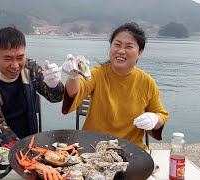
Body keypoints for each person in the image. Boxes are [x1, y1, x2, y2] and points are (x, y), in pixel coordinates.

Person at [61, 22, 169, 150]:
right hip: (93, 146)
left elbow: (161, 115)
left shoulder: (146, 82)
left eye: (129, 46)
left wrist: (155, 119)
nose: (121, 51)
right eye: (117, 44)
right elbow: (74, 93)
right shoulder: (97, 74)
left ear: (139, 52)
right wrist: (74, 76)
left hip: (131, 150)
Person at [0, 26, 64, 148]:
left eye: (20, 57)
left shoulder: (31, 69)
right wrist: (19, 149)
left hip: (28, 136)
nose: (15, 65)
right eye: (8, 58)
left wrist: (54, 85)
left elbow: (55, 98)